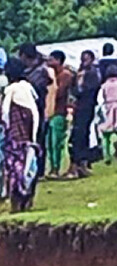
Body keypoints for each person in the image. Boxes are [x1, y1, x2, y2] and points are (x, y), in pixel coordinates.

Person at [2, 57, 40, 212]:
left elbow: (5, 114)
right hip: (30, 136)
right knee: (29, 168)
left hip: (16, 137)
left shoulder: (11, 91)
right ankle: (27, 200)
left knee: (15, 169)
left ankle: (16, 204)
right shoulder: (28, 89)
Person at [18, 43, 52, 175]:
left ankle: (38, 169)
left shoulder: (39, 71)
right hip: (35, 108)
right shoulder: (36, 69)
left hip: (36, 109)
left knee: (37, 139)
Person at [67, 50, 100, 179]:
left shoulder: (92, 74)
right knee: (79, 135)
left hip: (86, 107)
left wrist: (80, 81)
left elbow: (83, 91)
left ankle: (78, 164)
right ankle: (80, 164)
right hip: (81, 108)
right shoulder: (82, 73)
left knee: (80, 134)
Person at [45, 51, 74, 178]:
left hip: (59, 112)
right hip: (50, 111)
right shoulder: (52, 75)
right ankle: (52, 167)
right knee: (49, 143)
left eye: (51, 60)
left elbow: (60, 92)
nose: (49, 63)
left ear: (58, 60)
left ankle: (56, 168)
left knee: (56, 142)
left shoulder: (65, 75)